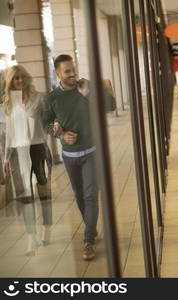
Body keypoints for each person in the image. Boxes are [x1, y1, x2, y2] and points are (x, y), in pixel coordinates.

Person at [42, 54, 98, 260]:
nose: (73, 73)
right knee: (80, 195)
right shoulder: (51, 98)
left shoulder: (85, 87)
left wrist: (88, 93)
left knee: (91, 196)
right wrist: (60, 134)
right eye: (67, 71)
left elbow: (109, 104)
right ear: (58, 74)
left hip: (92, 152)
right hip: (69, 156)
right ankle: (91, 227)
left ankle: (88, 240)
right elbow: (45, 123)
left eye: (73, 69)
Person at [1, 65, 52, 255]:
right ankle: (31, 237)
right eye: (15, 78)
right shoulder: (9, 103)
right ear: (11, 82)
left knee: (43, 193)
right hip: (17, 152)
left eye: (22, 77)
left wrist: (48, 144)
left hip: (37, 148)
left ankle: (46, 228)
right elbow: (9, 133)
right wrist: (6, 158)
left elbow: (47, 123)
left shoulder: (39, 98)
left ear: (27, 78)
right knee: (25, 197)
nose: (20, 81)